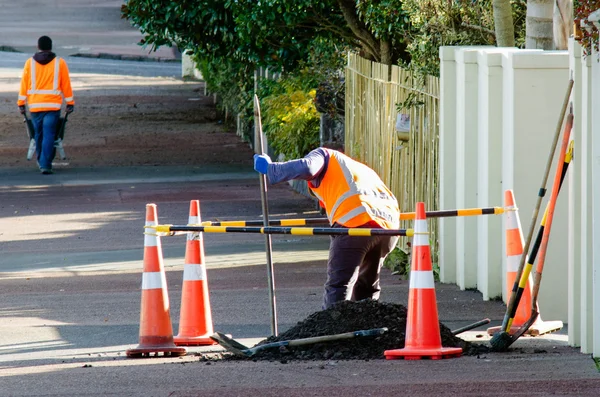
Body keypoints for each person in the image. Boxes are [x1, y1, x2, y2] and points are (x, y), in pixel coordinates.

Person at [254, 146, 400, 309]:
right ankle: (367, 329)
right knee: (366, 287)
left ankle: (334, 330)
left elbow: (307, 167)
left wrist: (272, 169)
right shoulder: (358, 170)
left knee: (339, 287)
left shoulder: (324, 155)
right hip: (390, 227)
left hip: (356, 223)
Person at [17, 36, 74, 175]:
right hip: (52, 106)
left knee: (38, 134)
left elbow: (24, 84)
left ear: (38, 46)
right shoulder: (60, 63)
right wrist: (70, 102)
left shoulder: (29, 63)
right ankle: (45, 163)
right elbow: (65, 84)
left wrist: (21, 103)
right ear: (51, 46)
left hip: (35, 105)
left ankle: (42, 161)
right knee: (49, 134)